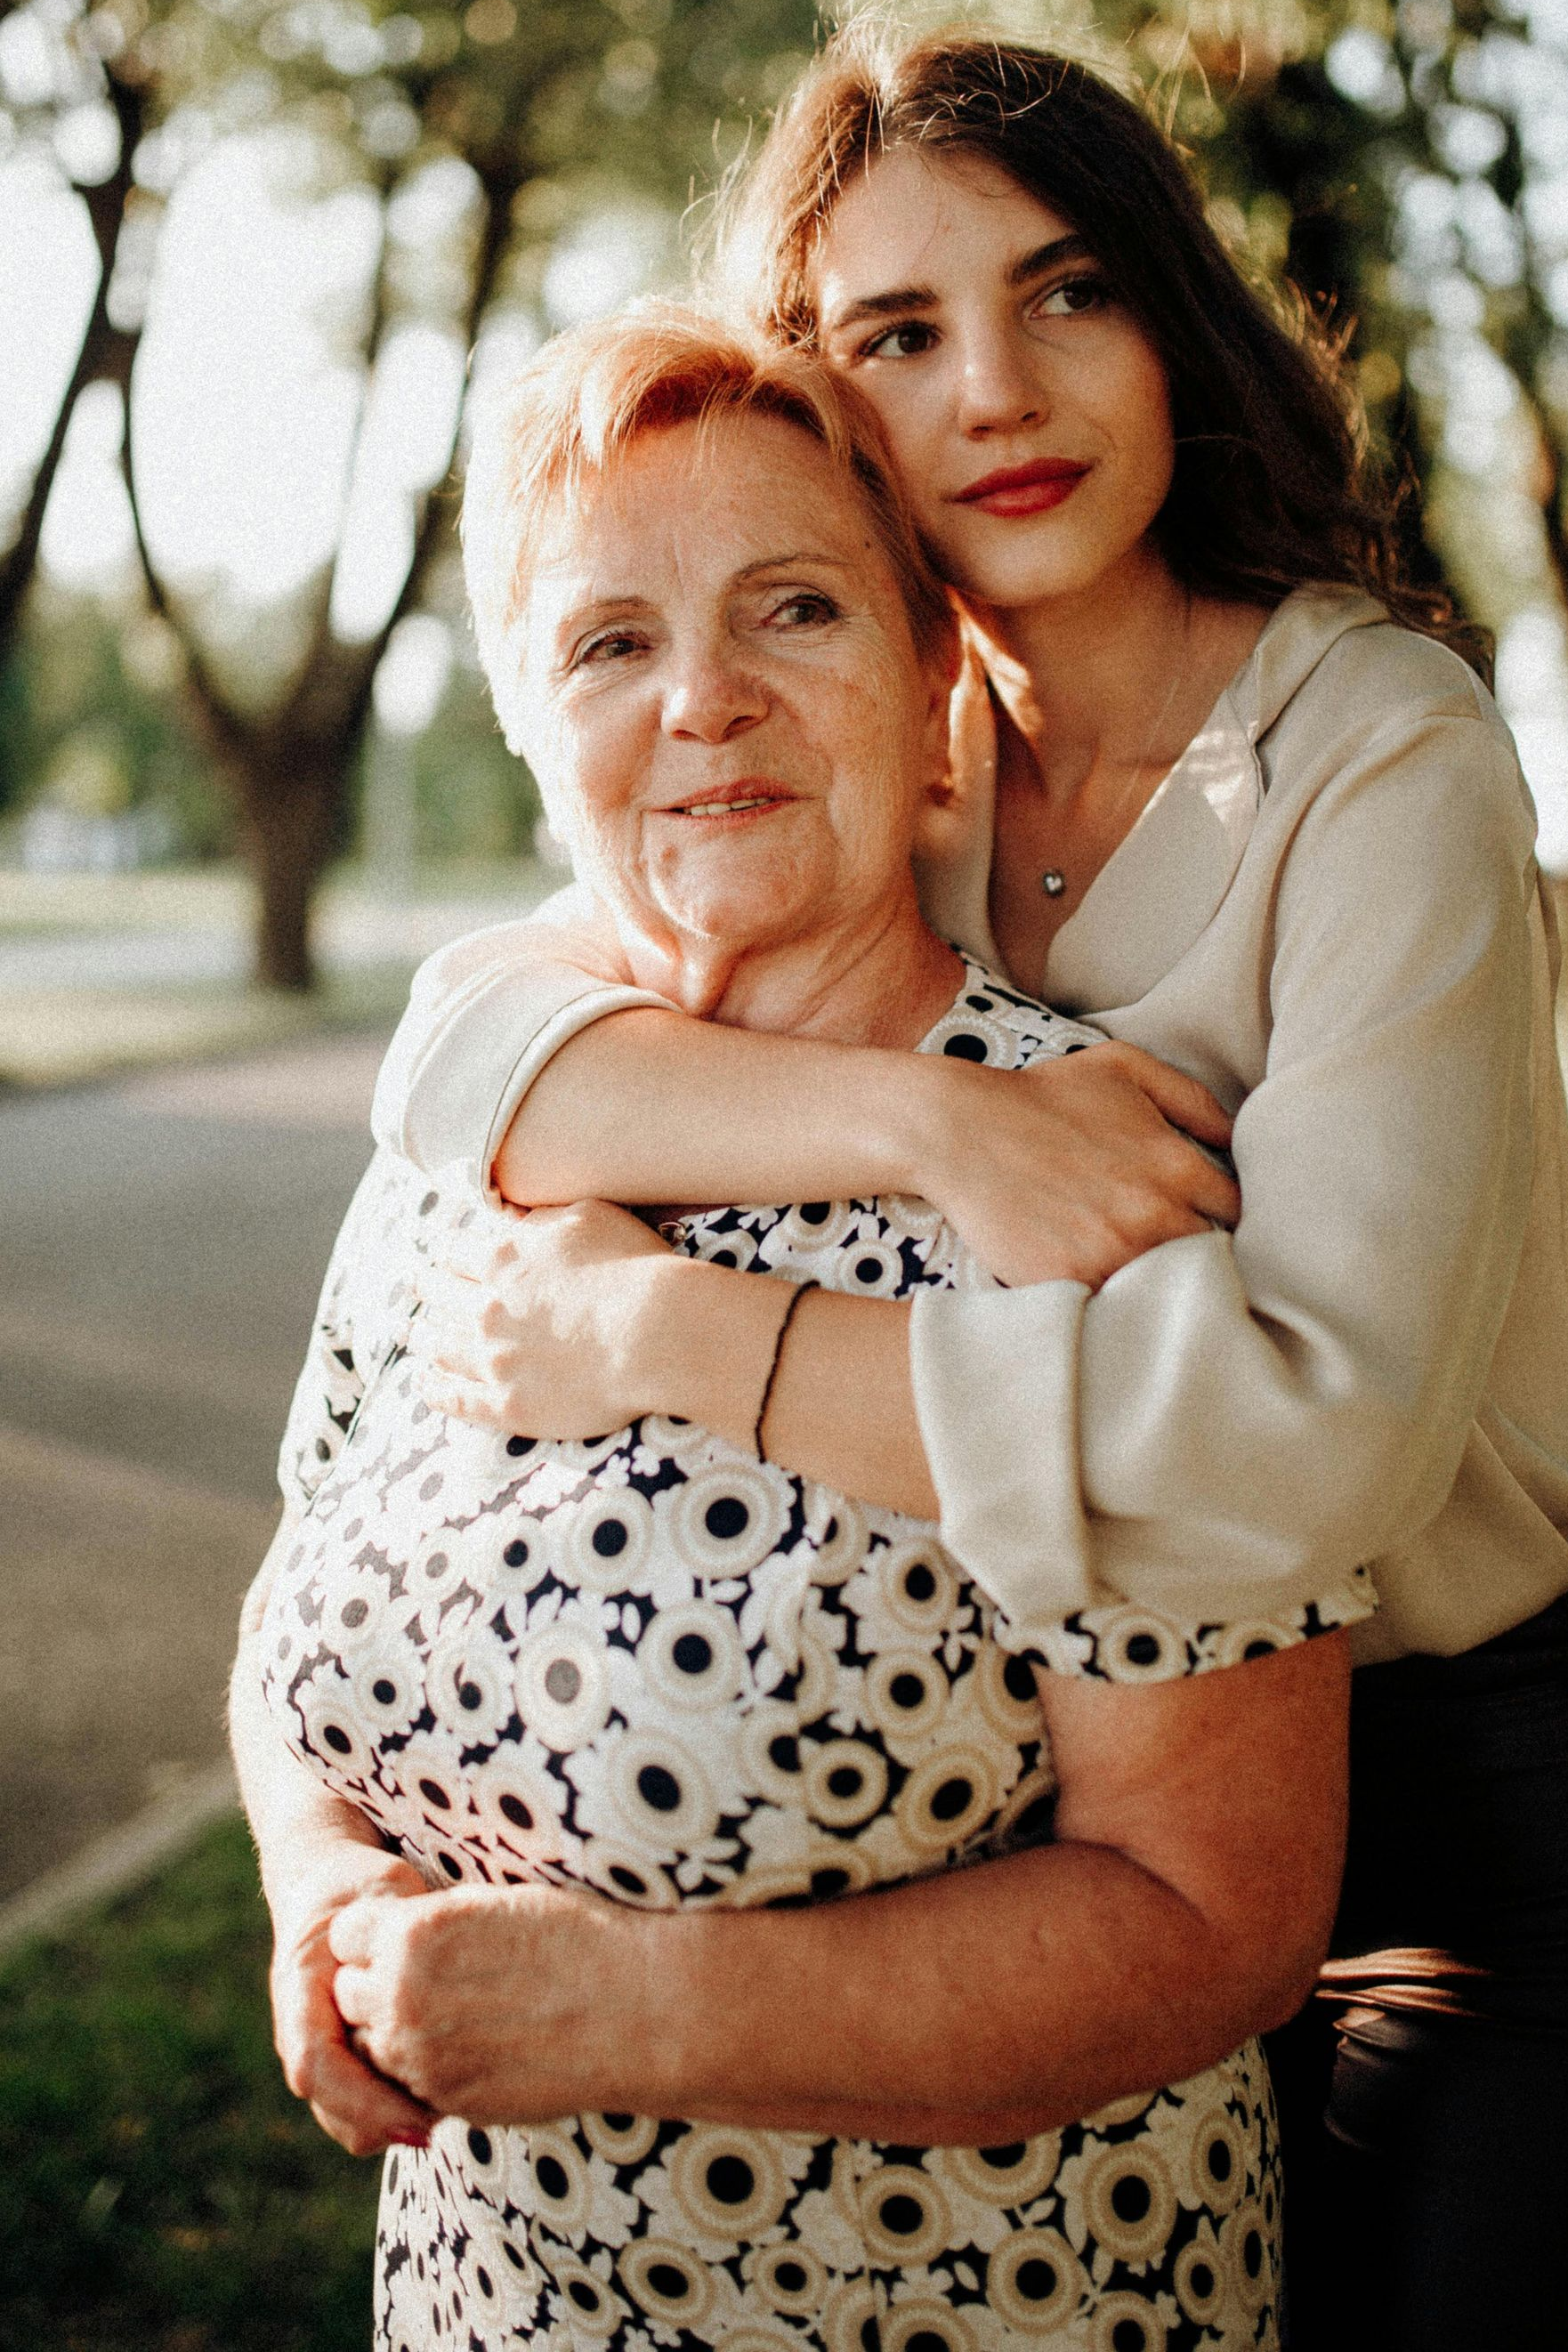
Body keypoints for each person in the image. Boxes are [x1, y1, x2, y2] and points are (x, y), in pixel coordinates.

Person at [368, 28, 1568, 2352]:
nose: (996, 386)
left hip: (1517, 1806)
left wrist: (712, 1344)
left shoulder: (1378, 750)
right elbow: (468, 1050)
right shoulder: (902, 745)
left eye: (1064, 288)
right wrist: (926, 1123)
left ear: (1168, 319)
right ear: (820, 404)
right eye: (894, 332)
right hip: (1139, 1804)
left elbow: (1318, 1435)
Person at [230, 308, 1360, 2352]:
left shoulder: (1081, 1184)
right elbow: (289, 1610)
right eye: (608, 645)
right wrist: (319, 1898)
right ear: (521, 714)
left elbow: (1222, 1916)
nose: (706, 703)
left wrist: (616, 2009)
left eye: (795, 611)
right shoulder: (474, 1144)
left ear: (938, 673)